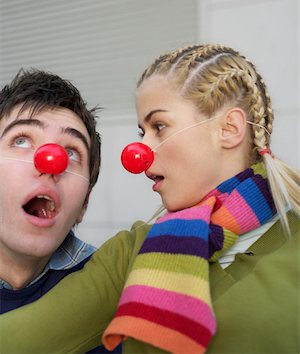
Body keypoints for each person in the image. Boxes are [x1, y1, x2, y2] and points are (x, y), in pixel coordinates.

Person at [1, 45, 299, 354]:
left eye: (158, 127)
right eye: (142, 131)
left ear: (229, 129)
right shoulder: (133, 249)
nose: (140, 153)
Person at [0, 68, 121, 353]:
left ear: (84, 205)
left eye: (71, 152)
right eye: (21, 140)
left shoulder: (113, 296)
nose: (50, 161)